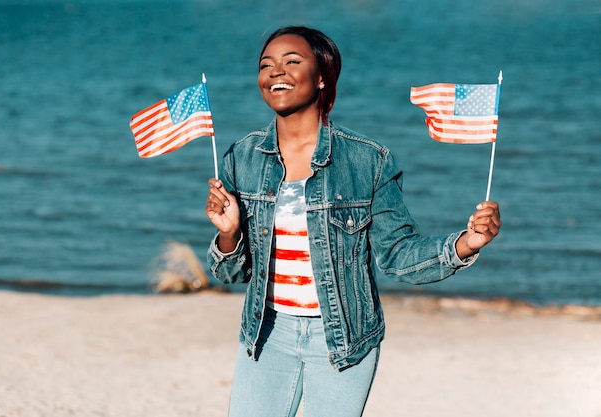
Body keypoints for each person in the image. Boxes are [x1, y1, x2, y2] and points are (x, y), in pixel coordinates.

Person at [204, 26, 501, 417]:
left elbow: (397, 255)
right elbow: (230, 274)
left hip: (344, 340)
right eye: (266, 65)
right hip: (266, 335)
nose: (276, 72)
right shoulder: (240, 158)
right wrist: (228, 236)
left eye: (293, 62)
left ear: (323, 75)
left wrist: (466, 244)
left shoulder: (367, 161)